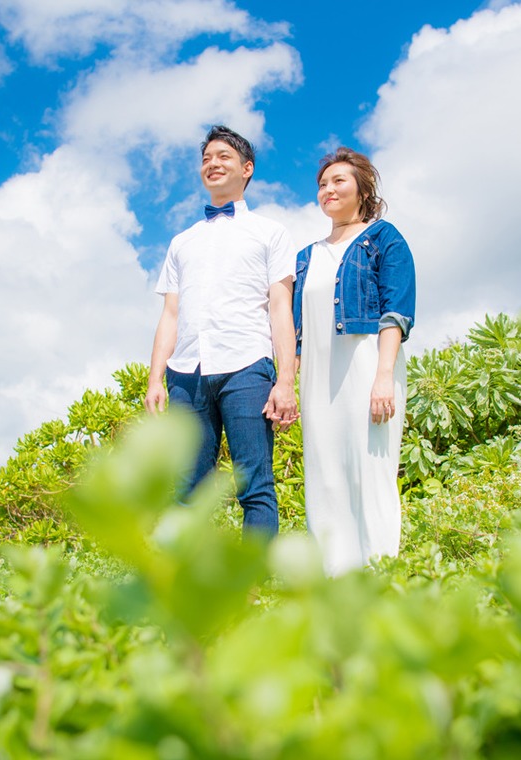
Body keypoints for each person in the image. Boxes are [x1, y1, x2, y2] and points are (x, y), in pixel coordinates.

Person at [145, 125, 299, 539]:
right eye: (206, 158)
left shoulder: (271, 232)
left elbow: (282, 307)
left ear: (246, 169)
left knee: (254, 484)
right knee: (186, 489)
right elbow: (170, 314)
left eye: (223, 157)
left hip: (247, 366)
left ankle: (248, 588)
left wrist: (286, 380)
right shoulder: (182, 241)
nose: (212, 164)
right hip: (185, 373)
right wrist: (155, 378)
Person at [293, 147, 416, 575]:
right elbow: (296, 334)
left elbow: (395, 312)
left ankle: (380, 578)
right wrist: (286, 387)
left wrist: (383, 377)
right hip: (317, 379)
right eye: (322, 184)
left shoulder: (384, 238)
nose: (328, 189)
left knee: (370, 472)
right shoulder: (306, 257)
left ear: (363, 190)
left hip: (369, 369)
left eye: (338, 181)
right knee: (325, 477)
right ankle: (335, 584)